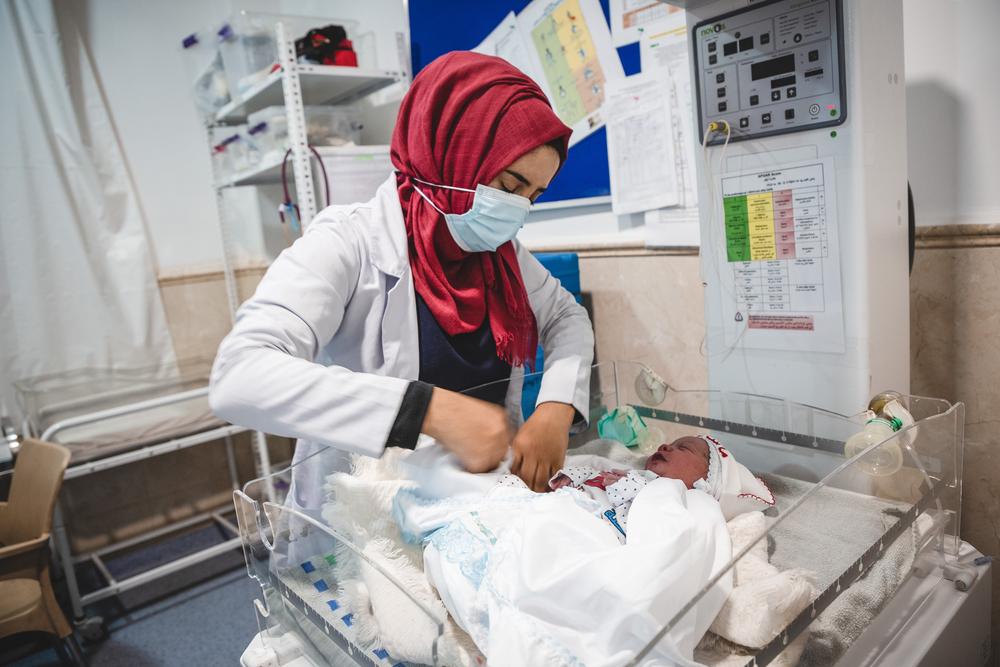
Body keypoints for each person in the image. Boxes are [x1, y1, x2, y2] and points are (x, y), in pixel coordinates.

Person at [209, 51, 594, 515]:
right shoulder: (349, 240)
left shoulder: (499, 254)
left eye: (533, 196)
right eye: (511, 186)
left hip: (475, 505)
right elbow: (239, 375)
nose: (519, 210)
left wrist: (556, 405)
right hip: (367, 519)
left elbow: (565, 316)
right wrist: (425, 410)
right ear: (455, 150)